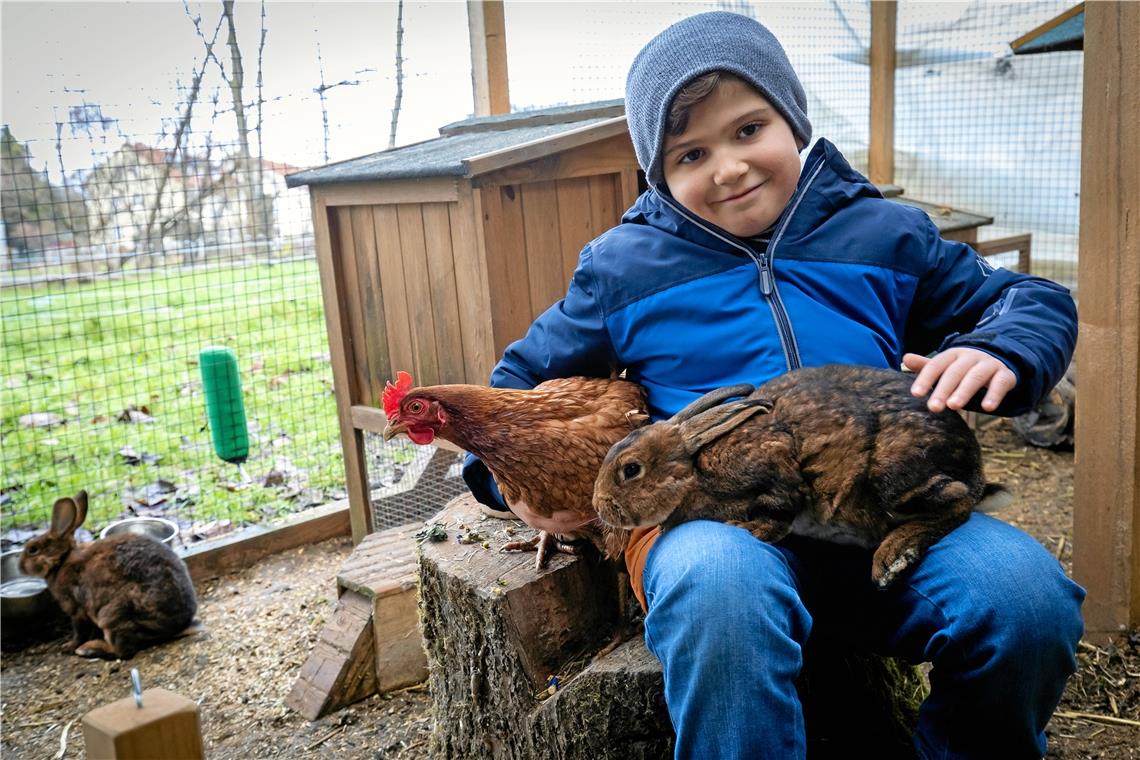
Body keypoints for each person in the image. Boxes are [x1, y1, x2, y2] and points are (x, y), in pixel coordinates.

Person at [463, 11, 1084, 759]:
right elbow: (519, 385)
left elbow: (1026, 299)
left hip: (879, 515)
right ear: (658, 173)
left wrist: (1003, 350)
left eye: (748, 129)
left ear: (794, 121)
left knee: (1024, 600)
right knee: (720, 591)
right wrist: (505, 485)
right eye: (691, 152)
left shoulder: (883, 232)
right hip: (710, 527)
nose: (727, 167)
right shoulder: (623, 267)